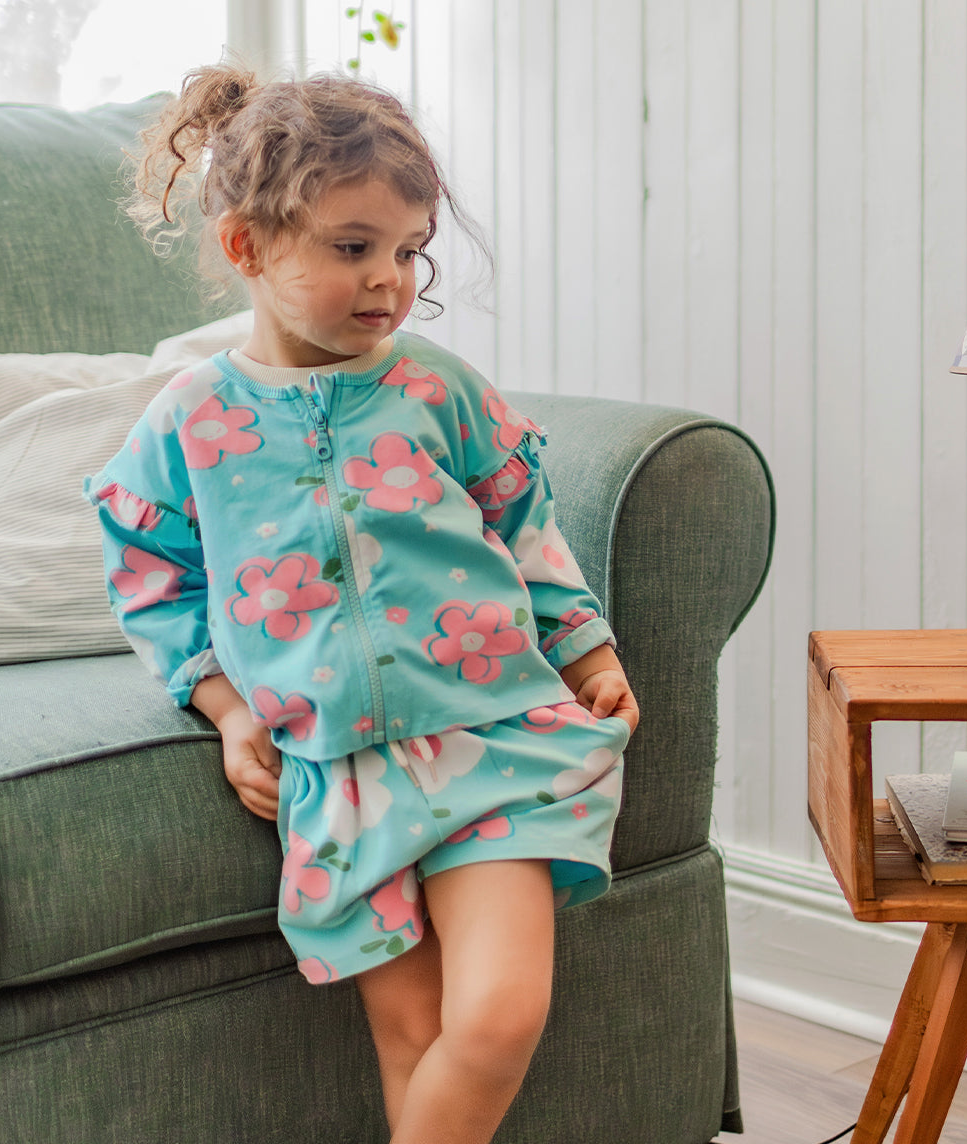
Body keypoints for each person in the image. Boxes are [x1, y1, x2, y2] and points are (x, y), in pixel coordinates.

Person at [87, 62, 638, 1144]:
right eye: (355, 248)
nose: (390, 279)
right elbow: (152, 577)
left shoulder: (438, 387)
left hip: (494, 741)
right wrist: (225, 707)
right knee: (414, 1032)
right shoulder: (190, 420)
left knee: (495, 1019)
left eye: (408, 251)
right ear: (248, 246)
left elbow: (526, 523)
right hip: (342, 772)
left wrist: (585, 648)